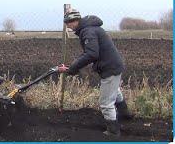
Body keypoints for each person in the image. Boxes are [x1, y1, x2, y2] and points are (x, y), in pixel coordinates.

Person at [57, 9, 133, 137]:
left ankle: (113, 131)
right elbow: (90, 53)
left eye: (69, 22)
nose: (68, 26)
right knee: (115, 91)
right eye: (66, 23)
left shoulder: (88, 31)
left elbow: (91, 54)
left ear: (76, 21)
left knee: (106, 103)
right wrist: (73, 67)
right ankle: (125, 115)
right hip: (113, 65)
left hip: (110, 67)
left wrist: (72, 69)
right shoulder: (89, 28)